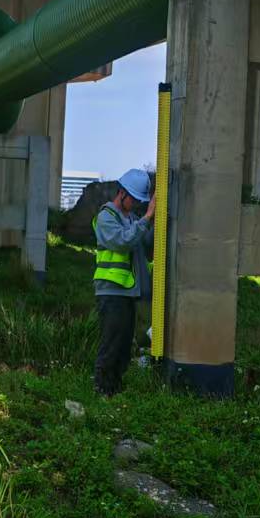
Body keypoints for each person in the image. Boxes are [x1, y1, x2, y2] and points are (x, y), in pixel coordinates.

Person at [92, 168, 155, 396]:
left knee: (123, 347)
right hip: (110, 292)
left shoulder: (132, 219)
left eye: (142, 202)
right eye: (135, 200)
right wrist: (147, 218)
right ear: (122, 194)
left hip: (127, 293)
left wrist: (152, 222)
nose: (138, 205)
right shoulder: (106, 217)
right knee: (111, 344)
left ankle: (114, 390)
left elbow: (143, 246)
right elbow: (121, 242)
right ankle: (101, 390)